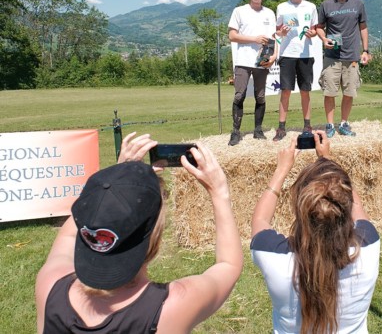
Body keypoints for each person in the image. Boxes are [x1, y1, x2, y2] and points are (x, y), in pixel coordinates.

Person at [36, 132, 243, 334]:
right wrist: (220, 192)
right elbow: (228, 266)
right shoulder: (171, 308)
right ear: (154, 236)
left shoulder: (49, 285)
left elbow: (73, 229)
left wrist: (114, 183)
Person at [250, 130, 380, 333]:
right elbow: (357, 206)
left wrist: (281, 170)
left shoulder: (274, 258)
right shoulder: (368, 246)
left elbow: (260, 220)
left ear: (299, 208)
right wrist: (327, 161)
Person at [316, 0, 372, 138]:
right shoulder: (326, 4)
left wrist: (365, 50)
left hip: (352, 56)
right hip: (332, 56)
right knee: (330, 93)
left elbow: (363, 27)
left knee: (349, 92)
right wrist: (324, 39)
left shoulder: (358, 3)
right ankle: (330, 125)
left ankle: (344, 124)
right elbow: (319, 26)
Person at [228, 0, 277, 146]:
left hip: (262, 61)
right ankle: (235, 132)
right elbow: (232, 36)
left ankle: (258, 130)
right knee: (239, 95)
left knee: (260, 96)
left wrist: (274, 56)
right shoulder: (239, 11)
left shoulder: (269, 13)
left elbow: (273, 38)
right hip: (243, 60)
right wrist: (254, 39)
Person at [273, 0, 319, 141]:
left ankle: (307, 126)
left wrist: (312, 34)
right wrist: (282, 32)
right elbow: (277, 31)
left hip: (305, 54)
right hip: (287, 54)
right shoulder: (282, 7)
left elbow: (315, 29)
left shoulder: (311, 6)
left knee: (305, 91)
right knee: (285, 92)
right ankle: (281, 128)